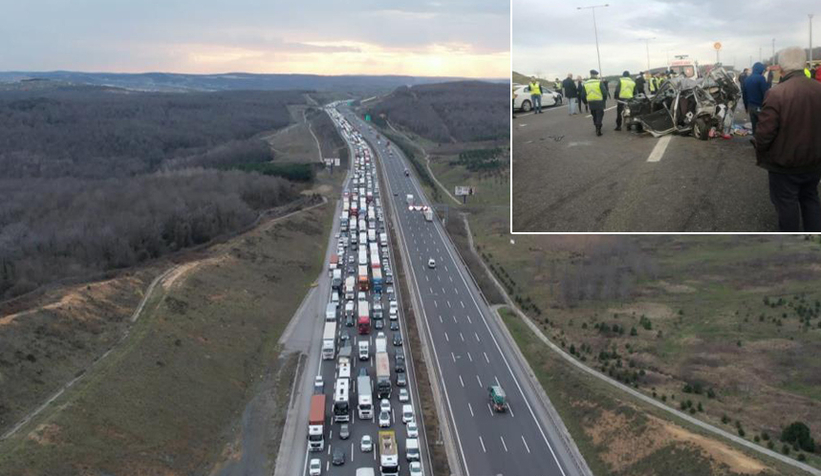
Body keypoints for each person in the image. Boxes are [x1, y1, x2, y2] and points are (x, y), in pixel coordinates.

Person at [754, 46, 821, 232]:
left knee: (787, 205)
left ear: (781, 68)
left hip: (784, 165)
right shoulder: (818, 89)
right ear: (805, 64)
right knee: (811, 199)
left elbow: (764, 134)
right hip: (814, 162)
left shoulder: (776, 93)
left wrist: (761, 154)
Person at [745, 62, 770, 134]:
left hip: (750, 106)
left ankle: (755, 139)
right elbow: (765, 93)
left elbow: (744, 95)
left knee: (754, 124)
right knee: (762, 124)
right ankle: (761, 141)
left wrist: (746, 107)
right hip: (760, 106)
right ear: (761, 70)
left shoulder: (747, 79)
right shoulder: (761, 78)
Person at [581, 69, 607, 136]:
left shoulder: (586, 83)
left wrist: (585, 102)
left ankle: (596, 126)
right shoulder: (599, 82)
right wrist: (604, 100)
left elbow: (583, 95)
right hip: (599, 101)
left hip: (591, 102)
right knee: (599, 115)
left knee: (594, 115)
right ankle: (598, 128)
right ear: (595, 75)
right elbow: (604, 93)